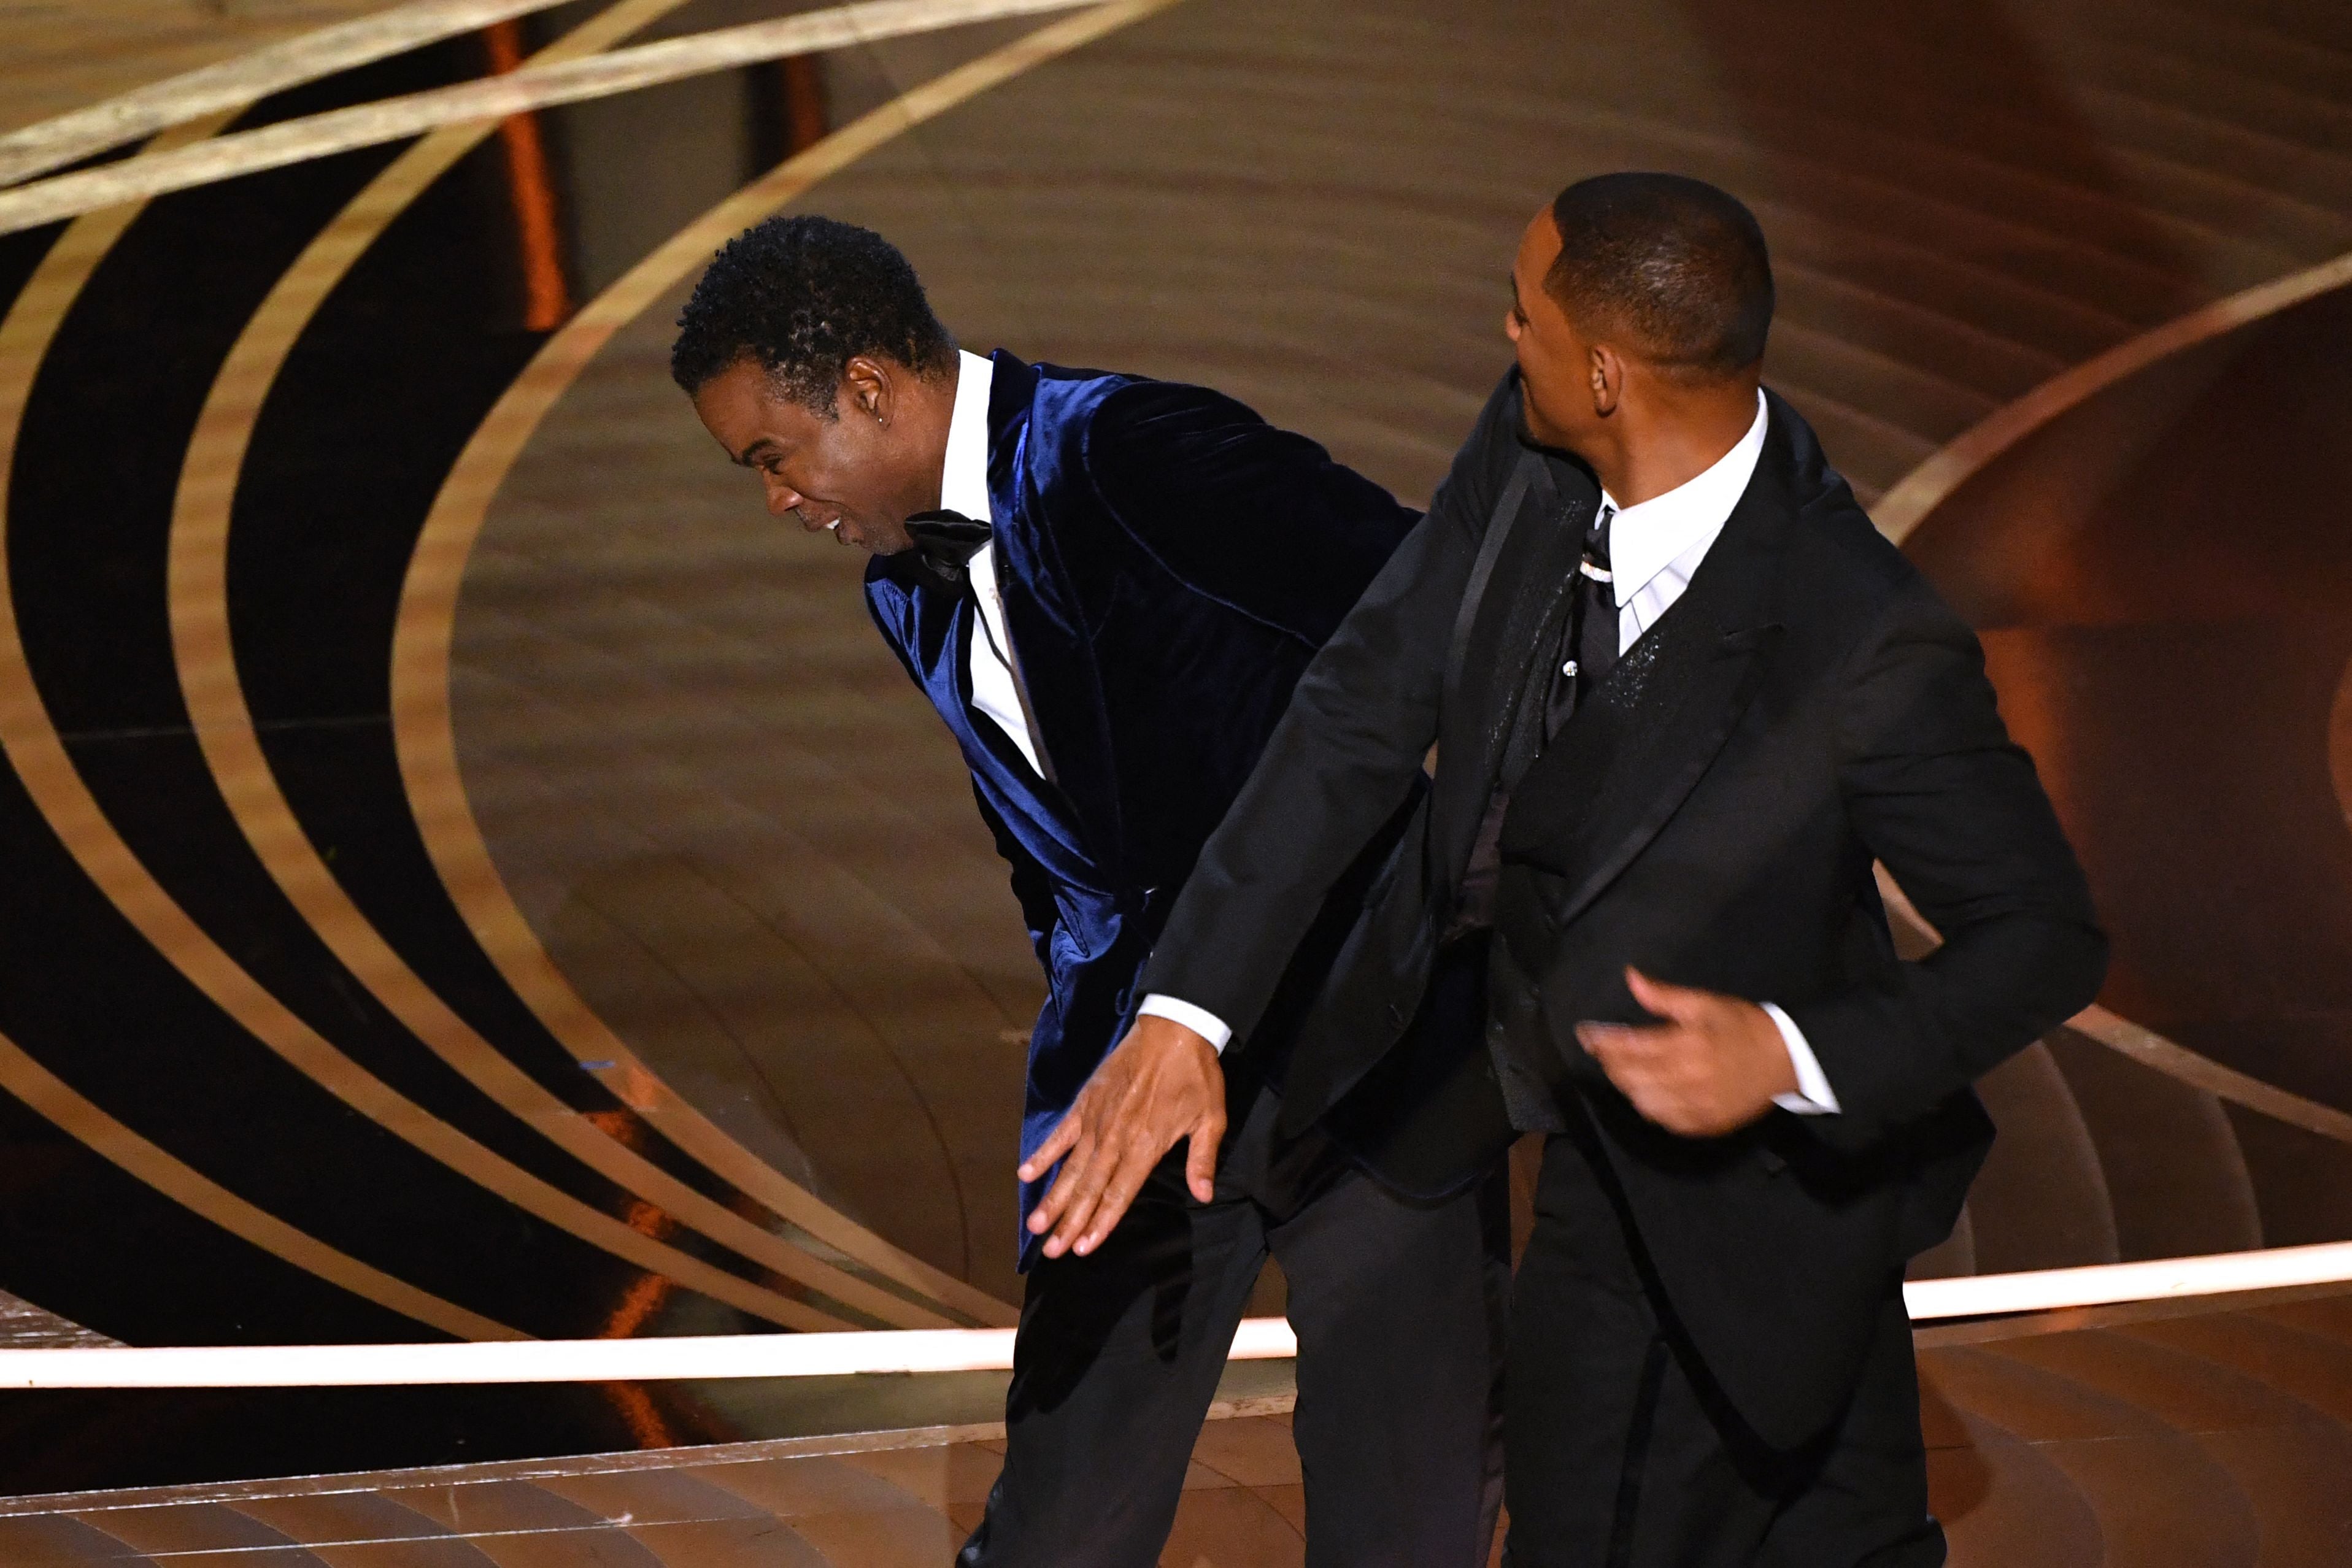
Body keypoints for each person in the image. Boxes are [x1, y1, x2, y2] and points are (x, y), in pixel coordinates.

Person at [1031, 174, 2108, 1566]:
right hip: (1520, 1080)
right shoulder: (1530, 450)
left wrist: (1784, 1054)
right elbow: (1360, 708)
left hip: (1748, 1187)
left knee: (1806, 1498)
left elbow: (2044, 935)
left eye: (1523, 313)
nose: (1502, 329)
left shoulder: (1862, 642)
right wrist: (1189, 1014)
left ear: (1605, 373)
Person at [669, 215, 1507, 1568]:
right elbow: (1047, 846)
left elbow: (1434, 615)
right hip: (1128, 1080)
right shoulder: (906, 586)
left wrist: (1463, 895)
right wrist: (1096, 1006)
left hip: (1371, 1038)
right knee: (1063, 1516)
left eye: (771, 455)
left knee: (1405, 1509)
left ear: (869, 392)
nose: (775, 497)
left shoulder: (1132, 454)